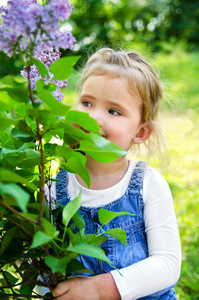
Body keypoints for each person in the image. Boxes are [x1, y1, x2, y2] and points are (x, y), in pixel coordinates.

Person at [45, 48, 181, 300]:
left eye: (114, 111)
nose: (94, 117)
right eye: (86, 103)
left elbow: (167, 264)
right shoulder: (54, 188)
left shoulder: (148, 185)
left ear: (140, 133)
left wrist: (99, 289)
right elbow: (43, 265)